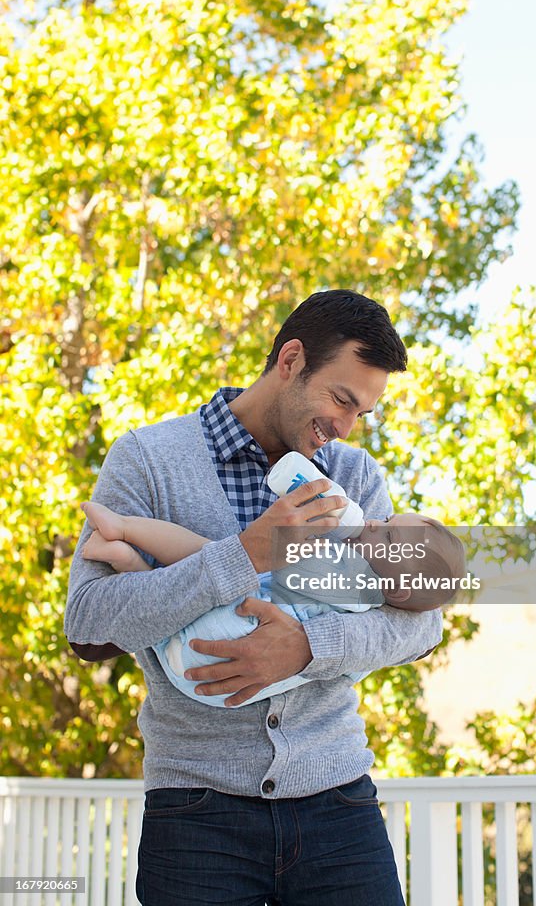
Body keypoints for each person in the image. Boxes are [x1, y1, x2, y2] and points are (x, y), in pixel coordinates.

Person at [64, 290, 443, 906]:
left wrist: (306, 647)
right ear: (291, 359)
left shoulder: (354, 477)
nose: (344, 428)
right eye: (341, 399)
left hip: (337, 799)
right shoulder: (149, 459)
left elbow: (420, 626)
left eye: (361, 413)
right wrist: (243, 555)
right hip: (196, 813)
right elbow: (88, 623)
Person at [79, 498, 465, 707]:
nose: (374, 523)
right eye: (385, 520)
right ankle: (127, 559)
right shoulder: (374, 598)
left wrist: (307, 535)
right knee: (214, 565)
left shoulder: (353, 574)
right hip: (203, 680)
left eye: (388, 536)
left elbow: (429, 629)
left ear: (396, 592)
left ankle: (125, 530)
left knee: (212, 557)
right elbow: (85, 626)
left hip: (224, 642)